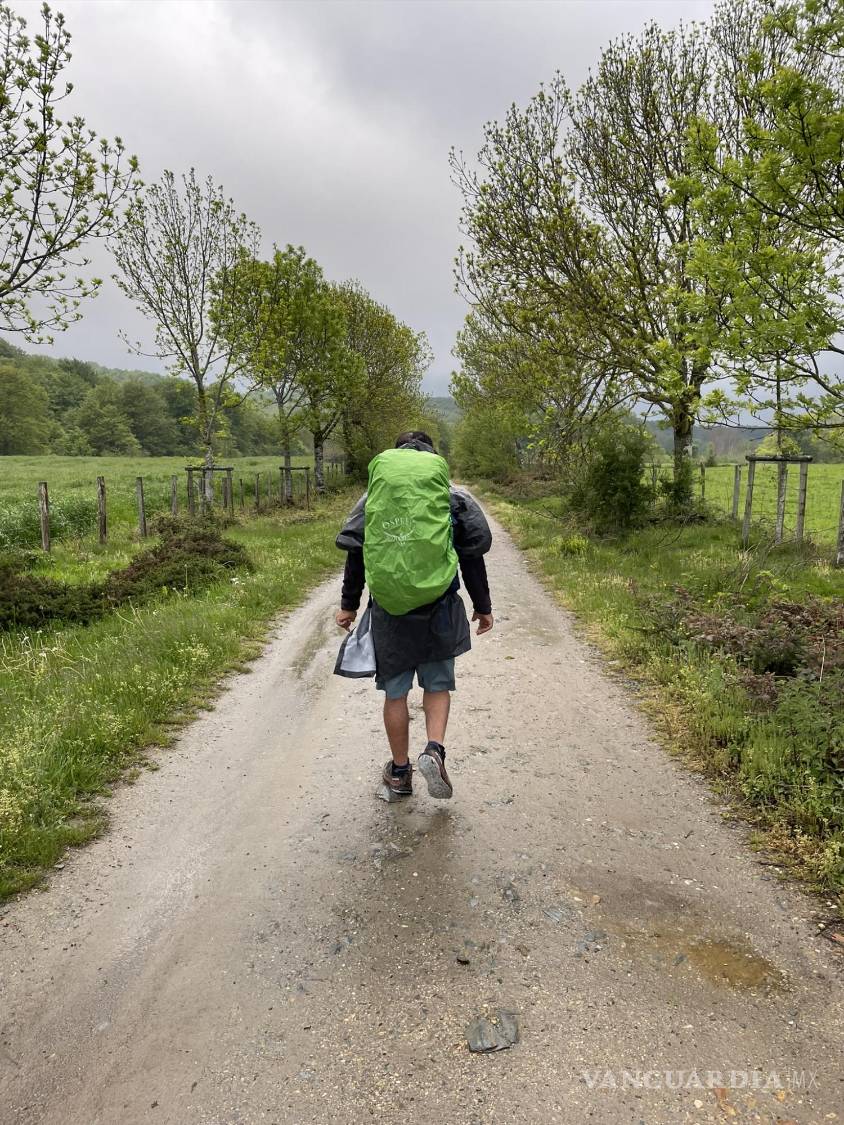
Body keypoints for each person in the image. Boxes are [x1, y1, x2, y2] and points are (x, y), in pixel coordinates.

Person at [335, 431, 493, 800]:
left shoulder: (375, 496)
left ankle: (401, 772)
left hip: (390, 609)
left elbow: (355, 551)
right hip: (440, 603)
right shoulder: (448, 494)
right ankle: (434, 750)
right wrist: (483, 606)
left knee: (396, 692)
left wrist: (349, 603)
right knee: (437, 685)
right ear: (431, 458)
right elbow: (472, 553)